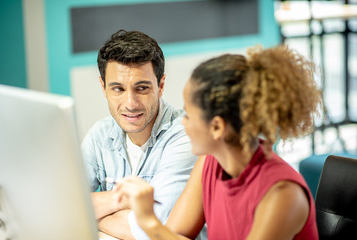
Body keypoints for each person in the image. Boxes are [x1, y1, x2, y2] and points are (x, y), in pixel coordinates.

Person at [114, 44, 321, 239]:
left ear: (216, 127)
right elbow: (178, 234)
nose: (183, 123)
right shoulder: (211, 160)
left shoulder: (283, 194)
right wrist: (148, 221)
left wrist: (149, 221)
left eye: (188, 115)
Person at [81, 30, 198, 239]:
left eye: (142, 88)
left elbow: (161, 230)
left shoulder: (185, 136)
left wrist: (93, 214)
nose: (130, 104)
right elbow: (67, 205)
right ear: (103, 87)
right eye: (118, 89)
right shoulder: (100, 134)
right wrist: (125, 200)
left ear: (160, 86)